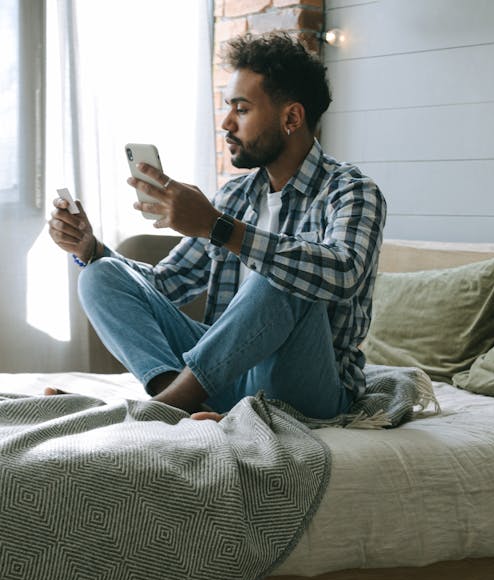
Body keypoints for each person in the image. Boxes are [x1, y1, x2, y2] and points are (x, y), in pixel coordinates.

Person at [48, 31, 386, 421]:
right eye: (228, 108)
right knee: (100, 275)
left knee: (281, 272)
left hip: (309, 385)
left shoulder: (352, 191)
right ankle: (180, 401)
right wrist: (90, 249)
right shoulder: (235, 197)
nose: (226, 122)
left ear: (291, 117)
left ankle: (163, 408)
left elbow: (342, 273)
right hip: (225, 375)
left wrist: (217, 226)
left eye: (241, 109)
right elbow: (164, 285)